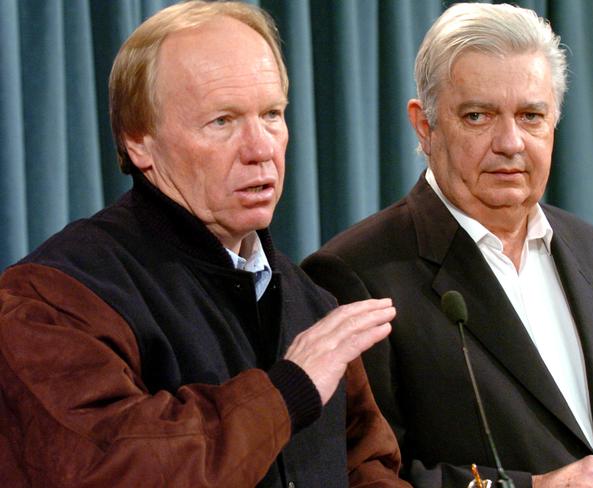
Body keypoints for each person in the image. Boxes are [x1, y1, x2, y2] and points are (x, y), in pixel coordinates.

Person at [0, 2, 410, 486]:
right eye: (222, 121)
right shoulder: (52, 297)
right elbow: (108, 469)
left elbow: (367, 467)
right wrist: (286, 390)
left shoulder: (310, 301)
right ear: (139, 142)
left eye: (272, 114)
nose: (261, 149)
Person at [302, 3, 593, 488]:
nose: (510, 142)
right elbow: (361, 474)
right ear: (424, 126)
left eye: (531, 116)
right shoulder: (354, 273)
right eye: (478, 116)